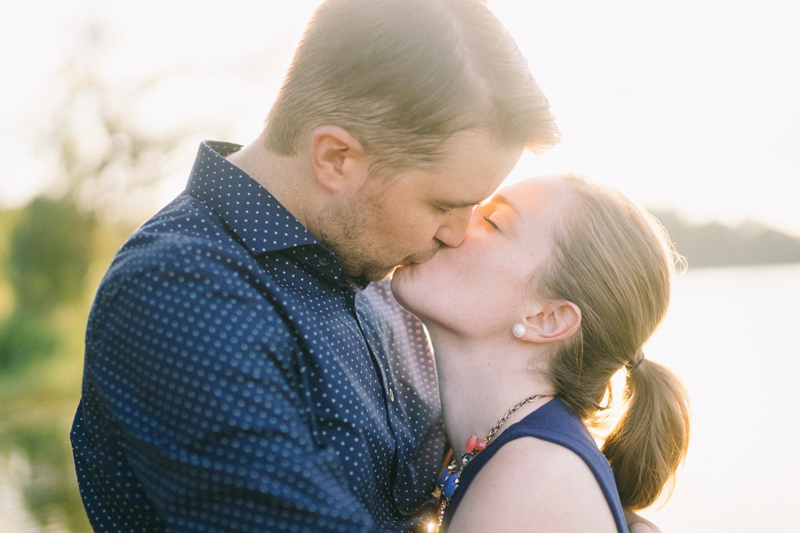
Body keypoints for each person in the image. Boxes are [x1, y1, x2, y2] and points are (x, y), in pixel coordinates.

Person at [70, 1, 561, 532]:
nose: (457, 234)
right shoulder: (178, 294)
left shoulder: (378, 275)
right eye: (442, 205)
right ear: (335, 159)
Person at [391, 175, 691, 532]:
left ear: (546, 319)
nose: (456, 218)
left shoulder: (530, 479)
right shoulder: (508, 455)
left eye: (492, 222)